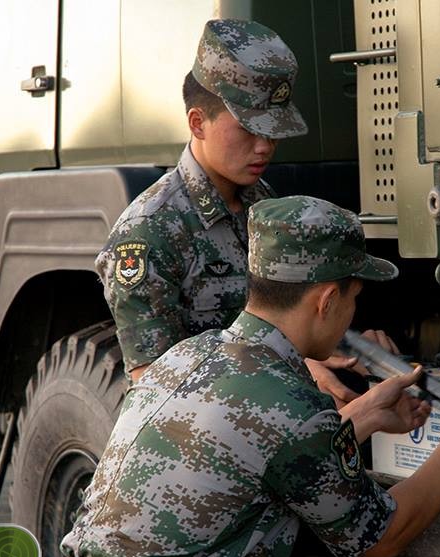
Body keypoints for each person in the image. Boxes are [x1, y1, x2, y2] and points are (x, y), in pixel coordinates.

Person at [49, 196, 440, 557]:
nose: (354, 312)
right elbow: (383, 538)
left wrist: (360, 415)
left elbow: (253, 452)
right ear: (327, 300)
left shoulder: (189, 354)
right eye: (354, 298)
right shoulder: (291, 405)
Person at [94, 18, 394, 401]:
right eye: (249, 130)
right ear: (197, 123)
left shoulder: (260, 200)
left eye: (272, 131)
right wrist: (292, 368)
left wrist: (347, 346)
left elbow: (289, 319)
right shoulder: (148, 232)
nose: (265, 146)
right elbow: (156, 383)